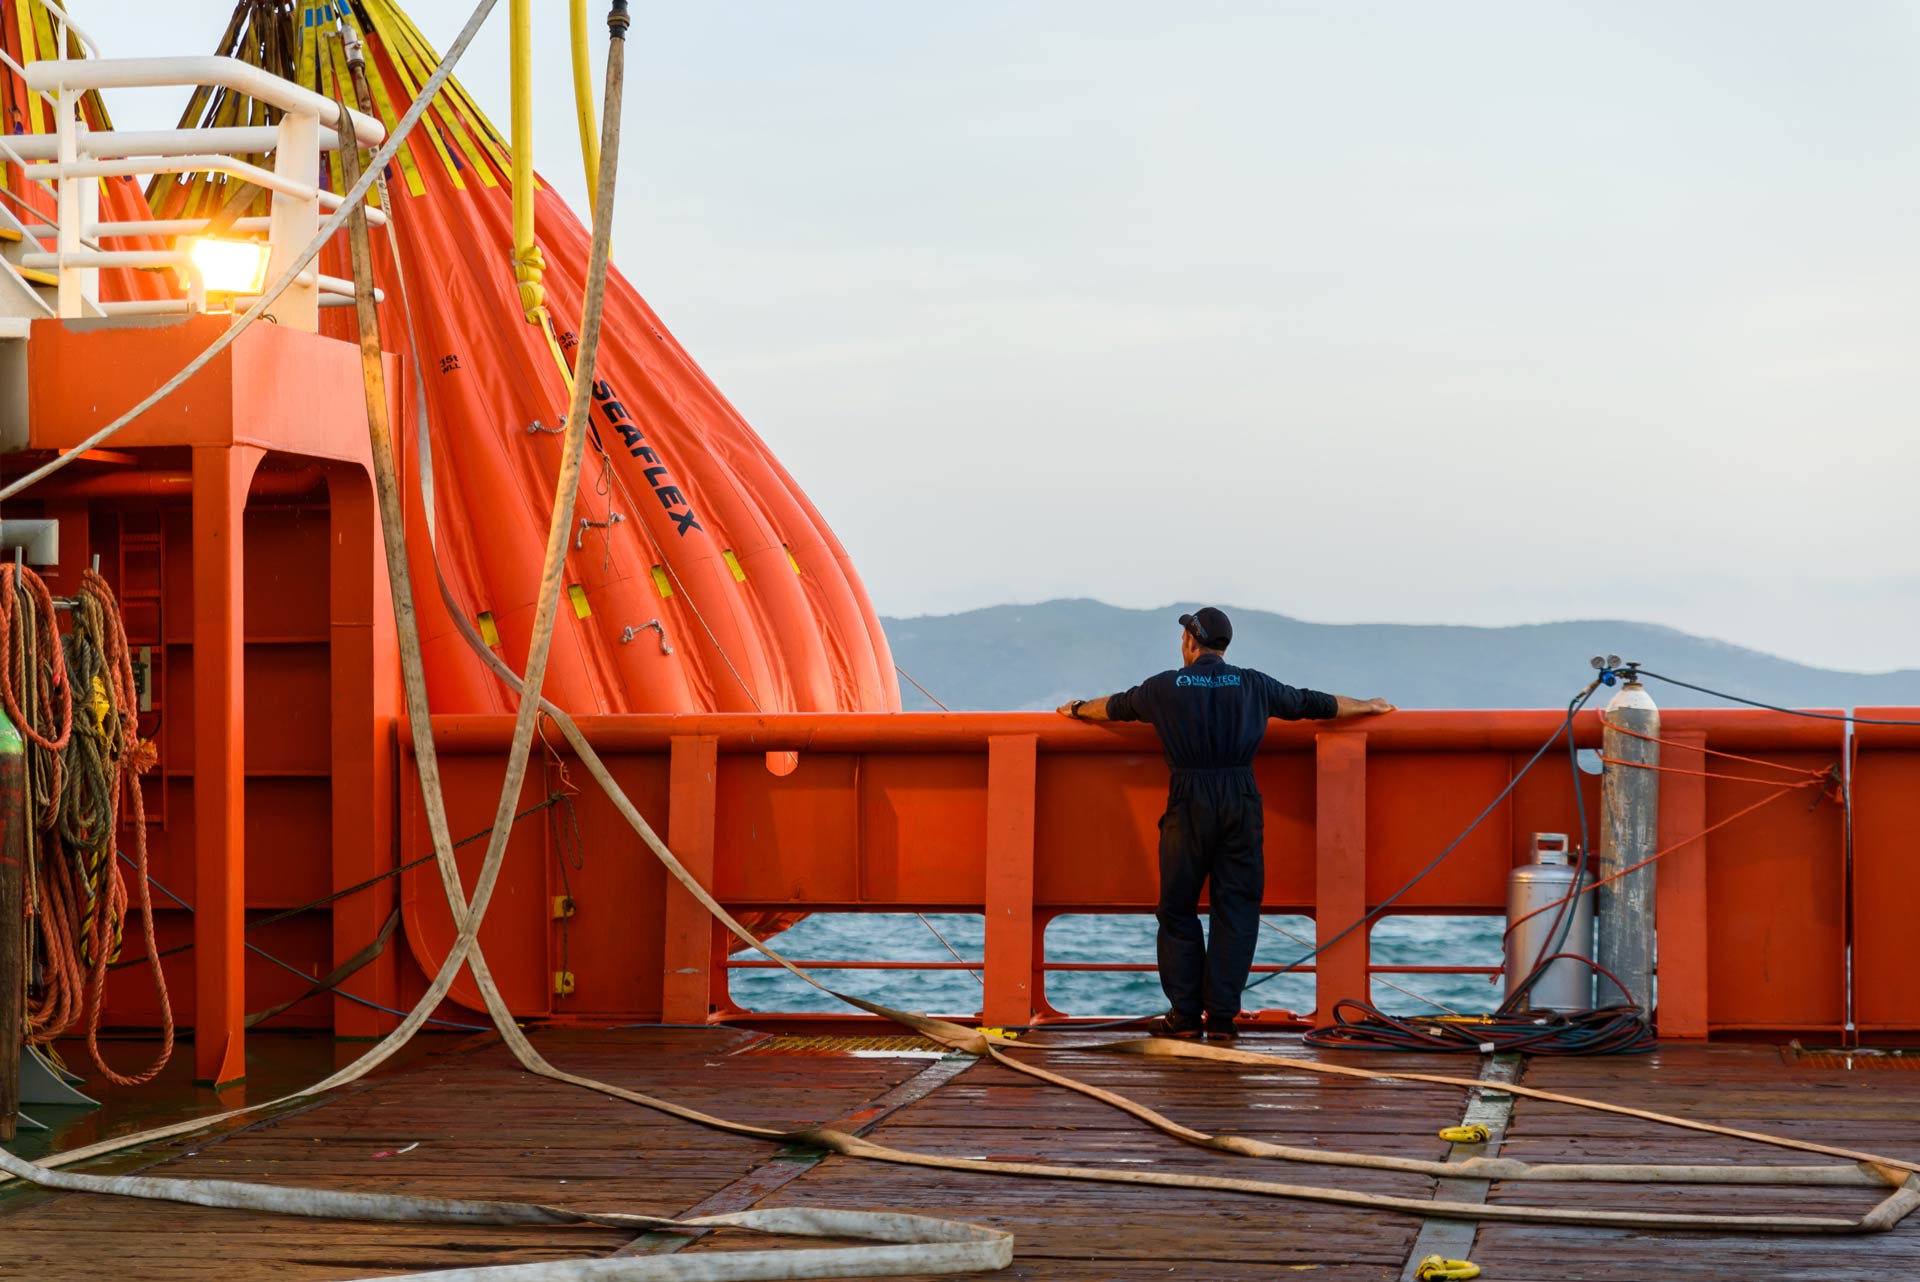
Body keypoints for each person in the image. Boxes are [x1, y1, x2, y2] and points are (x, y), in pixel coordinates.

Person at [1056, 607, 1393, 1039]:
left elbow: (1114, 708)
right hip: (1240, 797)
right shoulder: (1252, 683)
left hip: (1188, 798)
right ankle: (1220, 1019)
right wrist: (1367, 704)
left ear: (1190, 643)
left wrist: (1078, 708)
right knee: (1236, 910)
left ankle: (1183, 1015)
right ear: (1224, 646)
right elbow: (1313, 702)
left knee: (1177, 908)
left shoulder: (1165, 687)